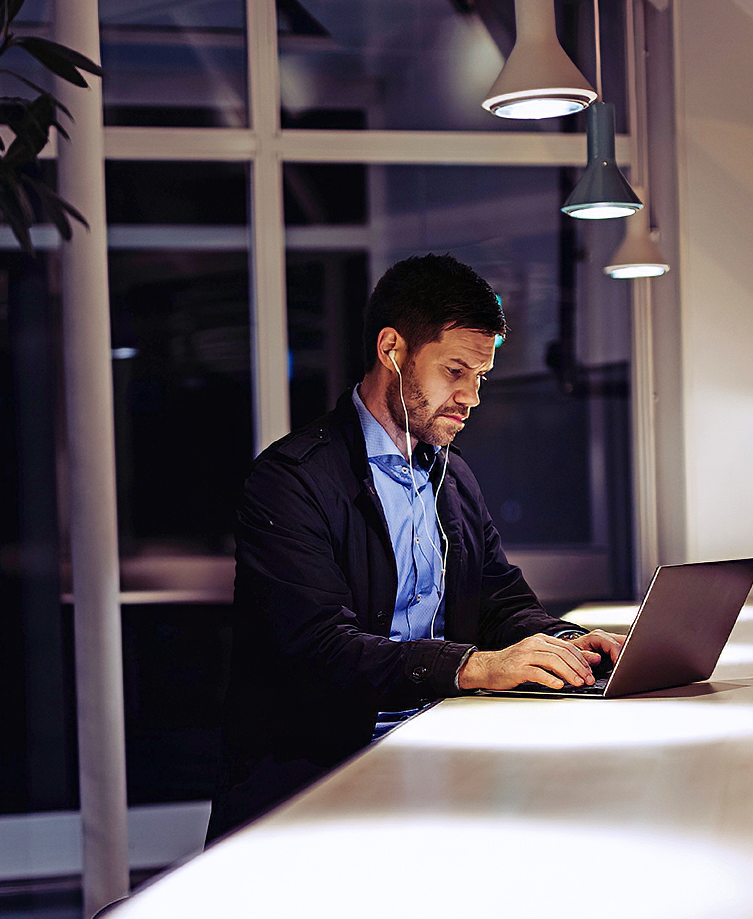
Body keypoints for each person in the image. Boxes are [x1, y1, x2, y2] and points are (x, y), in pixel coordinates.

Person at [210, 254, 626, 842]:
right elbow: (318, 649)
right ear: (392, 350)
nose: (471, 397)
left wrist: (564, 644)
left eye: (480, 377)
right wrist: (473, 666)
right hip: (318, 787)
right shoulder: (292, 479)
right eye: (455, 371)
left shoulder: (451, 477)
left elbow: (499, 598)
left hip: (435, 752)